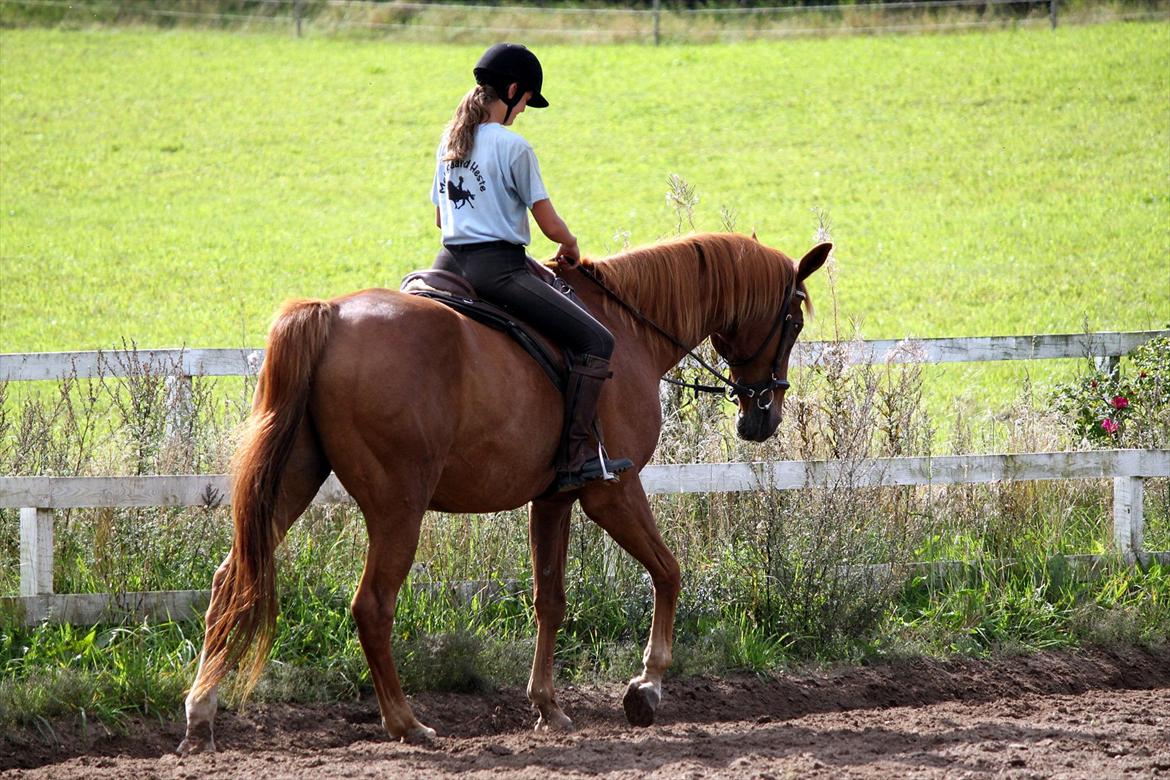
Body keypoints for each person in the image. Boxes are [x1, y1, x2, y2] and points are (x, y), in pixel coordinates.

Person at [430, 43, 632, 492]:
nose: (522, 112)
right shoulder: (513, 146)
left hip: (447, 266)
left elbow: (441, 218)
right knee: (597, 339)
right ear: (515, 90)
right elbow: (548, 223)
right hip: (496, 271)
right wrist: (571, 244)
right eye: (524, 103)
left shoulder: (448, 140)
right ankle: (577, 453)